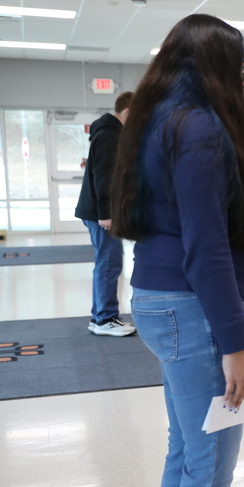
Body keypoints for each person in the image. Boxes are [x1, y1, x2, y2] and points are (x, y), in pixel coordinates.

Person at [110, 14, 244, 487]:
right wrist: (235, 343)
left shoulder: (158, 118)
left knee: (186, 457)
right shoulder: (201, 126)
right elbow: (205, 246)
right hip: (197, 312)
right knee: (206, 467)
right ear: (218, 69)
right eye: (241, 68)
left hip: (162, 301)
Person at [74, 90, 137, 337]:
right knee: (109, 262)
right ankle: (104, 319)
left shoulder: (107, 132)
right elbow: (105, 178)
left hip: (98, 210)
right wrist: (107, 213)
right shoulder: (111, 135)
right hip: (101, 213)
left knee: (107, 261)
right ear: (128, 112)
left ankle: (100, 316)